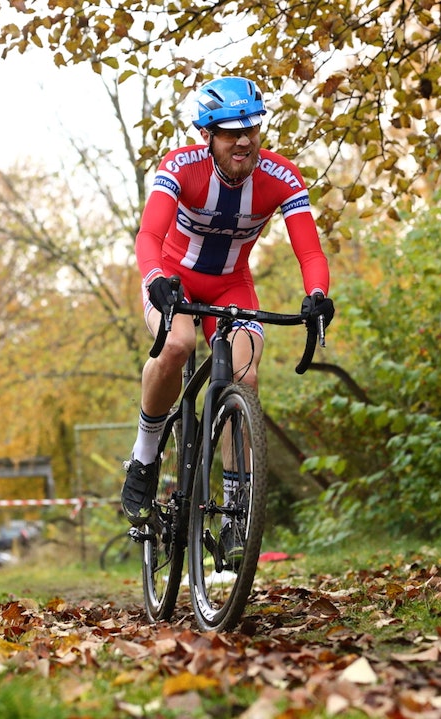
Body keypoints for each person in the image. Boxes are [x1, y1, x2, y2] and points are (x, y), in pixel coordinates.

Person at [120, 76, 335, 552]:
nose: (244, 141)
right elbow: (149, 236)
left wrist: (317, 293)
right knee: (178, 344)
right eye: (231, 132)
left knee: (246, 375)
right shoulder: (181, 166)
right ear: (207, 135)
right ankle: (145, 458)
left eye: (251, 130)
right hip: (173, 276)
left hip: (232, 284)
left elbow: (309, 251)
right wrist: (155, 278)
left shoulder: (282, 177)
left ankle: (238, 512)